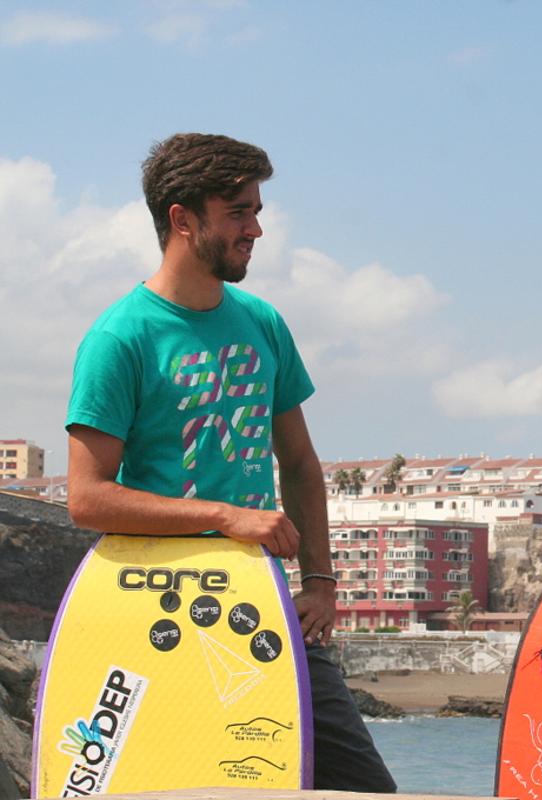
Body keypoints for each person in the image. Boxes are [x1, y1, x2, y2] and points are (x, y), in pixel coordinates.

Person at [65, 133, 396, 793]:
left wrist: (323, 583)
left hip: (264, 600)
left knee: (366, 789)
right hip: (154, 608)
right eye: (239, 212)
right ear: (184, 220)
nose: (258, 228)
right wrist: (225, 516)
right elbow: (87, 498)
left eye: (256, 209)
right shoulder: (119, 338)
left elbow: (299, 464)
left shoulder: (262, 322)